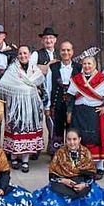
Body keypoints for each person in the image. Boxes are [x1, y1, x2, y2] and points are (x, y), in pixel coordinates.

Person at [31, 128, 104, 206]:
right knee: (54, 194)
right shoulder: (60, 153)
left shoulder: (86, 153)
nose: (72, 142)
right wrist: (63, 180)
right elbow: (52, 174)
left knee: (91, 194)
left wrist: (84, 184)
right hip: (64, 182)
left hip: (81, 181)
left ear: (79, 139)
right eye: (69, 139)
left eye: (74, 139)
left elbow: (91, 174)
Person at [67, 54, 104, 178]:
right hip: (79, 112)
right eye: (84, 64)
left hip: (95, 112)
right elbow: (70, 97)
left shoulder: (102, 79)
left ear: (95, 65)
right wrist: (69, 112)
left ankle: (99, 167)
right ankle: (82, 165)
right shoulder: (76, 79)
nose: (87, 66)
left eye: (89, 64)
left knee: (96, 138)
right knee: (80, 138)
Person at [1, 45, 47, 170]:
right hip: (16, 107)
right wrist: (21, 89)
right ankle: (14, 158)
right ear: (17, 55)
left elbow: (40, 81)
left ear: (29, 55)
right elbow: (3, 84)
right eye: (20, 53)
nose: (23, 56)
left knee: (28, 131)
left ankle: (25, 160)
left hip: (31, 107)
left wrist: (32, 89)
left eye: (25, 53)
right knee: (16, 131)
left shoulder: (34, 69)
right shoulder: (12, 69)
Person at [46, 41, 78, 152]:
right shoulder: (53, 67)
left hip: (73, 105)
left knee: (72, 129)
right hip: (57, 104)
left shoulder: (79, 68)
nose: (66, 52)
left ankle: (71, 153)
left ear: (72, 52)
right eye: (63, 50)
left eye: (68, 50)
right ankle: (57, 154)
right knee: (57, 129)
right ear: (59, 52)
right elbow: (48, 88)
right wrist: (47, 107)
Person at [34, 27, 60, 155]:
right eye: (45, 38)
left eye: (50, 38)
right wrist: (48, 66)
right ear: (42, 41)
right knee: (37, 121)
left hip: (54, 91)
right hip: (39, 92)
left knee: (53, 121)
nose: (48, 40)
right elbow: (31, 69)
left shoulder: (60, 54)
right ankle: (34, 149)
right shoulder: (36, 54)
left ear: (55, 40)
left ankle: (53, 147)